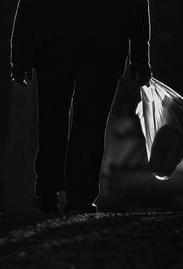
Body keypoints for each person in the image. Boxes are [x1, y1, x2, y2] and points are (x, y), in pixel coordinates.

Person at [10, 0, 152, 214]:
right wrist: (140, 59)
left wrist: (20, 57)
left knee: (52, 118)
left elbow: (29, 6)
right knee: (91, 124)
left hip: (54, 43)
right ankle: (80, 194)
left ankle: (47, 190)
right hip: (105, 45)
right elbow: (136, 6)